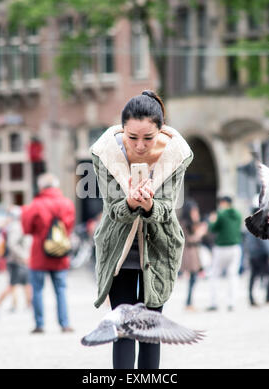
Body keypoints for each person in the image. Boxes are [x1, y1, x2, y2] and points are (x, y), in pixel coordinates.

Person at [89, 90, 193, 369]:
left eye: (149, 138)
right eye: (131, 137)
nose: (140, 145)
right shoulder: (105, 152)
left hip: (159, 246)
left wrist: (148, 207)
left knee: (149, 330)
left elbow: (167, 209)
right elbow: (112, 209)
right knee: (122, 327)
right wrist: (129, 202)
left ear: (162, 130)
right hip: (117, 249)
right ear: (122, 129)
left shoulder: (177, 155)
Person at [21, 173, 75, 334]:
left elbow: (27, 228)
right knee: (61, 289)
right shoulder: (67, 203)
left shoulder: (36, 204)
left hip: (39, 253)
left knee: (37, 289)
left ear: (41, 187)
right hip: (60, 252)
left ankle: (40, 324)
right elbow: (69, 227)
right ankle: (64, 323)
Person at [0, 206, 32, 317]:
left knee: (26, 284)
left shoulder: (13, 225)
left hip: (17, 260)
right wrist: (24, 256)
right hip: (18, 261)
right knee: (13, 286)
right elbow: (13, 245)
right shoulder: (16, 226)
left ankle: (29, 306)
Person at [207, 196, 242, 312]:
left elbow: (213, 228)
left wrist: (212, 220)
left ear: (224, 203)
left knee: (214, 275)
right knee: (233, 276)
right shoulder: (238, 214)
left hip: (221, 248)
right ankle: (232, 302)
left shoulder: (220, 214)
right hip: (235, 248)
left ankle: (214, 302)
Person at [179, 200, 208, 311]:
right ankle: (188, 302)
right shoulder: (184, 223)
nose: (195, 213)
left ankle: (189, 302)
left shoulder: (193, 223)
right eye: (193, 211)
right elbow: (188, 240)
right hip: (188, 255)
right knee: (191, 279)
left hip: (194, 255)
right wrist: (199, 233)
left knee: (193, 279)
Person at [245, 207, 269, 306]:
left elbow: (247, 243)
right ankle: (268, 297)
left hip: (253, 255)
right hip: (261, 255)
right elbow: (264, 240)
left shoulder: (249, 225)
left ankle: (251, 298)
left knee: (253, 277)